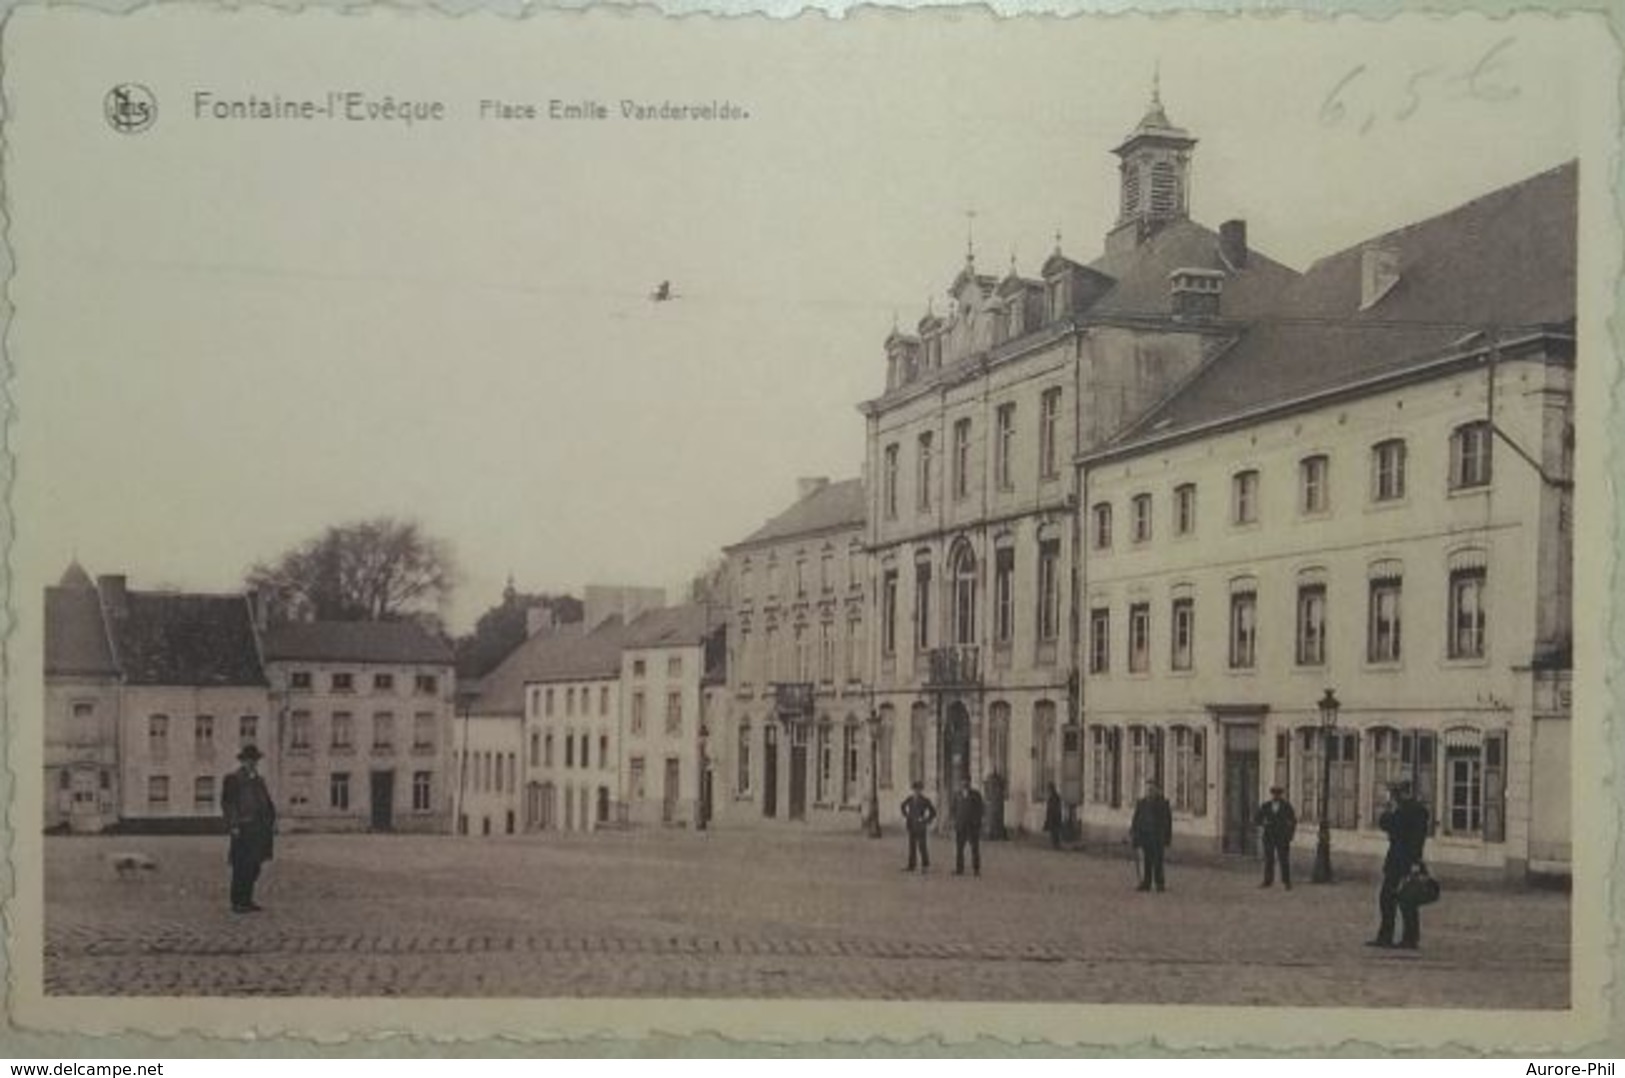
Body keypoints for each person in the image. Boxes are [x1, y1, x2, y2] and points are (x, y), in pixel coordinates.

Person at [1369, 779, 1430, 949]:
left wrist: (1390, 809)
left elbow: (1386, 823)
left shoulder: (1410, 811)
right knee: (1395, 899)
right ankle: (1396, 936)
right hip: (1402, 860)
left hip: (1404, 860)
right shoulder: (1414, 810)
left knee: (1401, 900)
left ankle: (1404, 938)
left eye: (1396, 793)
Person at [221, 743, 277, 914]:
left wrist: (271, 821)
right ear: (242, 761)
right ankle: (237, 902)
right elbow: (228, 804)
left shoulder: (259, 781)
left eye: (254, 760)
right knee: (241, 865)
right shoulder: (233, 779)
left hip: (260, 829)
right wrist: (234, 825)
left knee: (255, 865)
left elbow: (267, 803)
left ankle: (247, 899)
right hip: (243, 828)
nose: (252, 763)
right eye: (248, 760)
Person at [1129, 779, 1173, 892]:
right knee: (1147, 861)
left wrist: (1167, 838)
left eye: (1152, 789)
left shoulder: (1162, 803)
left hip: (1157, 837)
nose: (1149, 792)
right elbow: (1136, 819)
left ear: (1157, 790)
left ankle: (1159, 883)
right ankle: (1146, 882)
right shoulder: (1142, 803)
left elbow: (1167, 822)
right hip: (1145, 836)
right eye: (1148, 789)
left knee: (1158, 861)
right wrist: (1134, 833)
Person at [1254, 784, 1298, 889]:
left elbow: (1293, 821)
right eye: (1274, 794)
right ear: (1271, 794)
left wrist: (1290, 835)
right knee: (1269, 859)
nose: (1276, 796)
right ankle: (1268, 881)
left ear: (1281, 795)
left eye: (1278, 794)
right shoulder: (1266, 806)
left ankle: (1286, 882)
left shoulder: (1286, 806)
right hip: (1269, 836)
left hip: (1282, 837)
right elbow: (1257, 819)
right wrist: (1263, 822)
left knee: (1284, 859)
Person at [900, 780, 937, 873]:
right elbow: (902, 806)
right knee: (912, 847)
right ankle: (911, 865)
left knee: (922, 847)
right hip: (911, 825)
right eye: (915, 790)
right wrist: (906, 815)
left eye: (918, 790)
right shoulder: (910, 799)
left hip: (921, 827)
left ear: (921, 790)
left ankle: (925, 866)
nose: (916, 792)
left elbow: (933, 812)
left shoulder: (925, 800)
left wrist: (926, 820)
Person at [953, 779, 985, 877]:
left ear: (970, 784)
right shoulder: (957, 795)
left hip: (972, 827)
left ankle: (976, 869)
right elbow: (953, 809)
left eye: (966, 783)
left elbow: (981, 809)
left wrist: (978, 822)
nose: (964, 785)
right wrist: (955, 821)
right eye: (962, 783)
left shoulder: (976, 795)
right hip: (960, 826)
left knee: (975, 848)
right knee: (959, 849)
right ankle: (959, 869)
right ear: (960, 784)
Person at [1043, 783, 1064, 849]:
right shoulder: (1053, 797)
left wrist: (1051, 816)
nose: (1048, 791)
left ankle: (1056, 844)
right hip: (1053, 816)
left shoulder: (1055, 797)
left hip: (1055, 816)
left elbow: (1054, 807)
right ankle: (1055, 844)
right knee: (1053, 831)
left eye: (1049, 789)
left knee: (1055, 831)